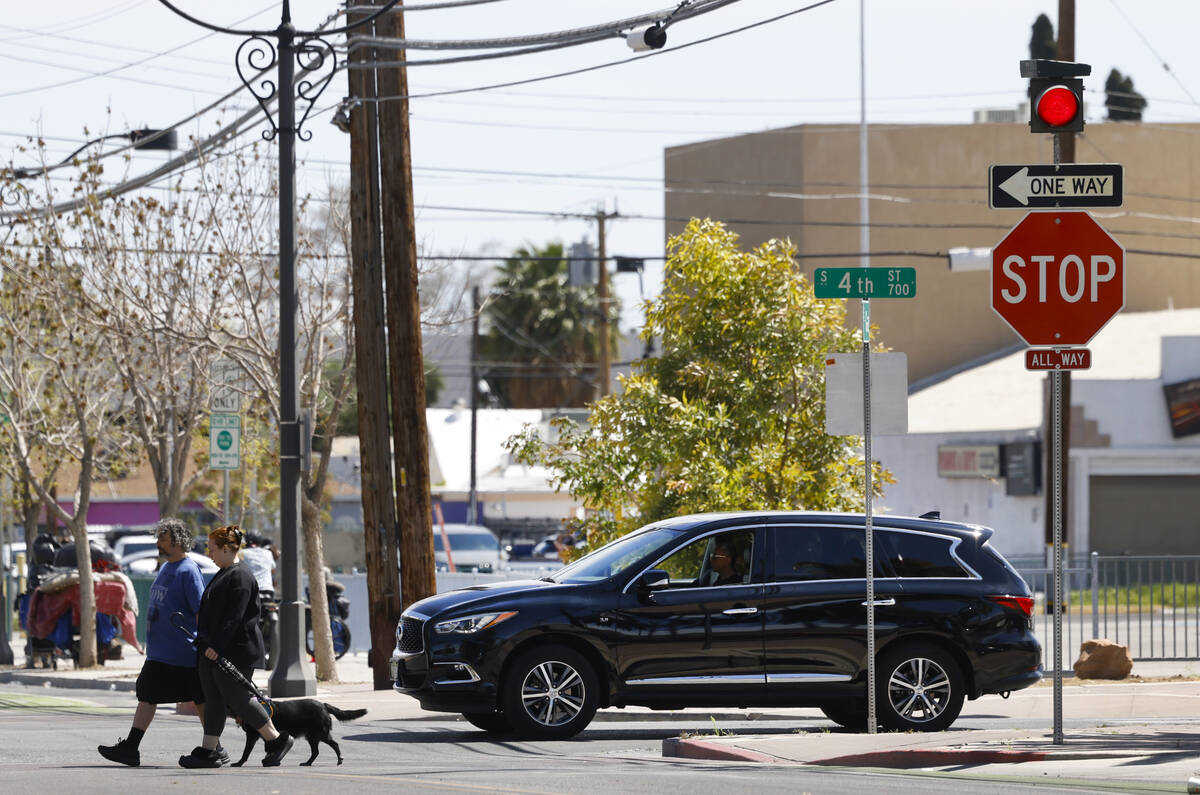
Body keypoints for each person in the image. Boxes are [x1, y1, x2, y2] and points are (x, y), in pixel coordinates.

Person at [98, 518, 215, 767]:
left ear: (177, 541)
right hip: (161, 652)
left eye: (162, 538)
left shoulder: (188, 570)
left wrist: (204, 642)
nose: (157, 542)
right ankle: (131, 748)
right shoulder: (166, 568)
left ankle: (214, 748)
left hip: (181, 651)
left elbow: (200, 611)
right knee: (151, 694)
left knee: (197, 698)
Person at [177, 525, 293, 769]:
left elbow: (235, 617)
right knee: (214, 700)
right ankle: (209, 751)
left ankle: (276, 740)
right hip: (214, 650)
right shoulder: (225, 572)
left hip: (235, 651)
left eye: (213, 549)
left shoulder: (240, 576)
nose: (209, 554)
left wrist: (217, 646)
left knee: (238, 699)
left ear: (227, 549)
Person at [240, 532, 276, 601]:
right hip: (268, 590)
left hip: (251, 590)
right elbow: (273, 570)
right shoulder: (268, 553)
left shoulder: (242, 553)